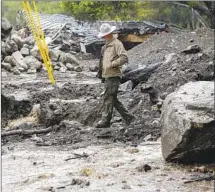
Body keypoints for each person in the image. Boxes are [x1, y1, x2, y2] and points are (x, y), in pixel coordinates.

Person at [96, 23, 135, 128]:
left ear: (110, 34)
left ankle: (105, 121)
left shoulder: (117, 44)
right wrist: (101, 74)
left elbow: (124, 57)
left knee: (109, 98)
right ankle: (129, 117)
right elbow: (102, 62)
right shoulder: (105, 47)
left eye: (107, 34)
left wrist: (112, 64)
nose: (106, 36)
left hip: (114, 75)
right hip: (107, 75)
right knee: (112, 98)